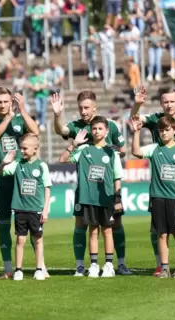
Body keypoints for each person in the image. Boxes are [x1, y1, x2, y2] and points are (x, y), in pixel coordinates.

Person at [51, 91, 131, 276]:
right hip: (85, 188)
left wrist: (108, 156)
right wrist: (57, 115)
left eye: (86, 107)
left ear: (95, 107)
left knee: (114, 225)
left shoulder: (109, 125)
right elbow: (60, 131)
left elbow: (123, 151)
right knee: (82, 225)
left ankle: (120, 263)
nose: (83, 111)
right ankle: (81, 265)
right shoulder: (77, 126)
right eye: (80, 108)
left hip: (107, 188)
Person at [130, 86, 175, 276]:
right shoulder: (155, 119)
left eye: (172, 101)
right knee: (159, 230)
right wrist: (137, 104)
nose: (169, 105)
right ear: (161, 103)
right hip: (160, 180)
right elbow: (135, 119)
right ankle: (160, 266)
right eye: (166, 102)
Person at [0, 88, 41, 279]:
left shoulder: (19, 120)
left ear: (11, 102)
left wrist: (22, 110)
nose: (2, 105)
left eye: (6, 101)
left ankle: (40, 266)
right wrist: (8, 118)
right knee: (3, 226)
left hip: (22, 181)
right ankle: (8, 268)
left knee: (31, 226)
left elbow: (35, 132)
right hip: (1, 181)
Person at [59, 116, 124, 278]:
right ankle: (93, 264)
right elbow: (62, 160)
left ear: (107, 131)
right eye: (94, 129)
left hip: (106, 198)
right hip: (88, 198)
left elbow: (117, 177)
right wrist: (74, 144)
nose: (96, 131)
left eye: (100, 128)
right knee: (93, 231)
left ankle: (109, 264)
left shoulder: (112, 152)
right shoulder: (83, 150)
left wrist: (117, 198)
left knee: (107, 230)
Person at [0, 134, 51, 281]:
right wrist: (4, 162)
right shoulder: (17, 164)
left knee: (38, 239)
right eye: (21, 148)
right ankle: (18, 270)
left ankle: (39, 269)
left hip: (36, 210)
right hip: (20, 209)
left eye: (25, 148)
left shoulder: (42, 166)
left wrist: (45, 209)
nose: (22, 151)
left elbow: (47, 188)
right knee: (20, 240)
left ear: (35, 149)